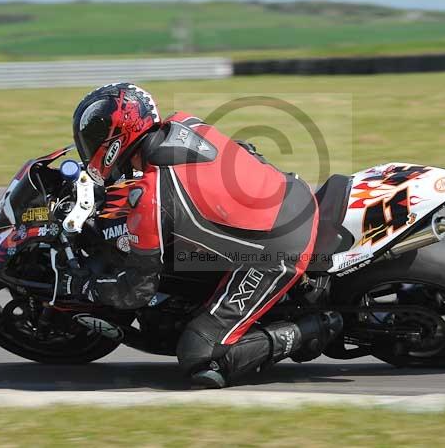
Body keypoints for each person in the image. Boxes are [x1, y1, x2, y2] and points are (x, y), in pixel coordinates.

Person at [59, 82, 341, 388]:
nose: (90, 146)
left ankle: (312, 328)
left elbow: (137, 291)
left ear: (116, 138)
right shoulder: (183, 123)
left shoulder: (151, 196)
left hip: (280, 250)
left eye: (93, 138)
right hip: (291, 192)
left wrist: (84, 286)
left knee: (198, 353)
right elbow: (245, 149)